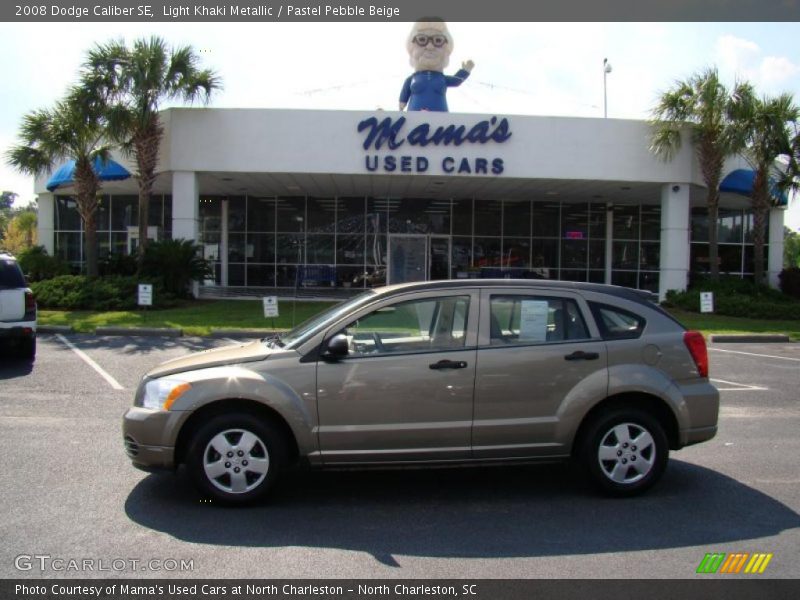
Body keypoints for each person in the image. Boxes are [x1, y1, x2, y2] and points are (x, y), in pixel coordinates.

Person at [399, 20, 475, 112]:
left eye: (438, 40)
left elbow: (456, 81)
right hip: (414, 120)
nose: (430, 46)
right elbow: (404, 94)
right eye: (422, 39)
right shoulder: (411, 79)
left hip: (441, 121)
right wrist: (401, 104)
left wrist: (465, 71)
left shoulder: (442, 78)